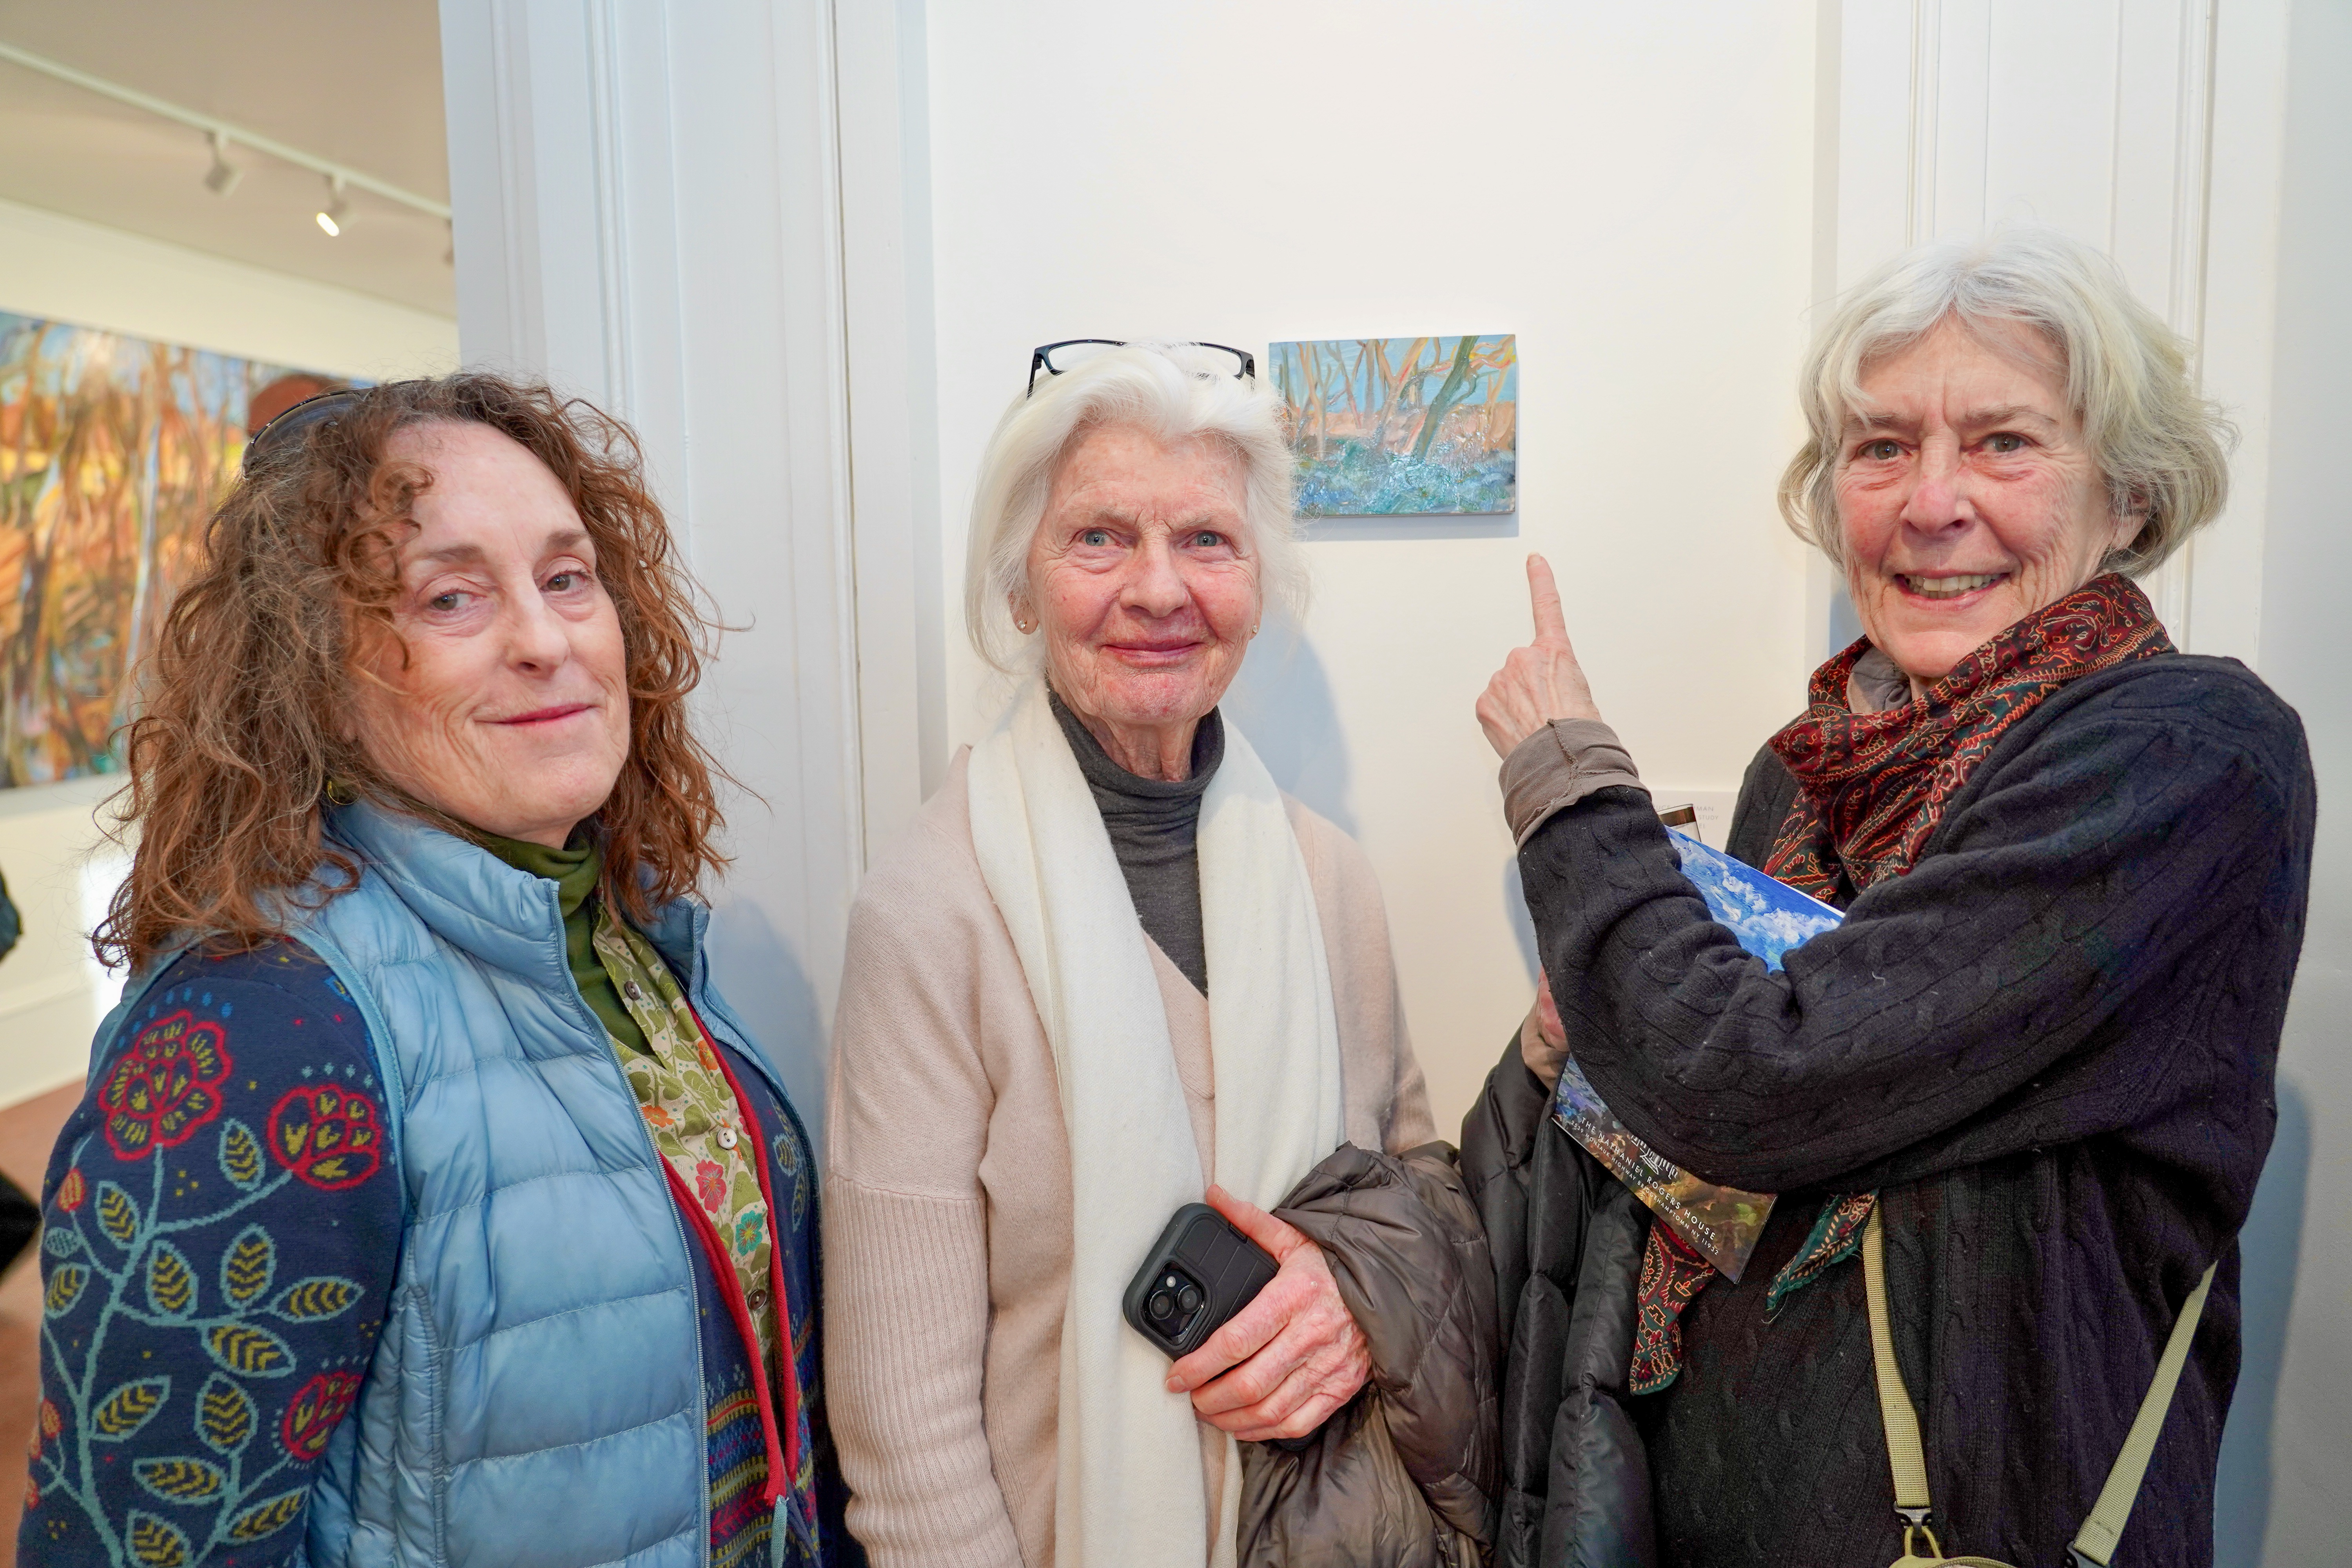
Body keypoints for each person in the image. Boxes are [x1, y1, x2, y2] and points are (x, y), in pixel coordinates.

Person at [1469, 229, 2314, 1566]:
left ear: (2132, 496)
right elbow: (1701, 1150)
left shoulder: (2187, 755)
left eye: (2003, 443)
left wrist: (1569, 791)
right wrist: (1573, 1039)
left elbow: (1751, 1080)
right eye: (1881, 447)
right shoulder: (1804, 778)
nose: (1931, 503)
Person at [20, 376, 851, 1568]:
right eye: (450, 597)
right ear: (316, 671)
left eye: (567, 578)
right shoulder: (266, 1031)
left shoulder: (615, 927)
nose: (547, 640)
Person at [824, 341, 1491, 1568]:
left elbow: (1413, 1197)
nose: (1158, 588)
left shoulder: (1331, 880)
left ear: (1258, 586)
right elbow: (904, 1436)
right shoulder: (930, 912)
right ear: (1020, 588)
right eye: (1099, 538)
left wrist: (1356, 1302)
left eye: (1206, 541)